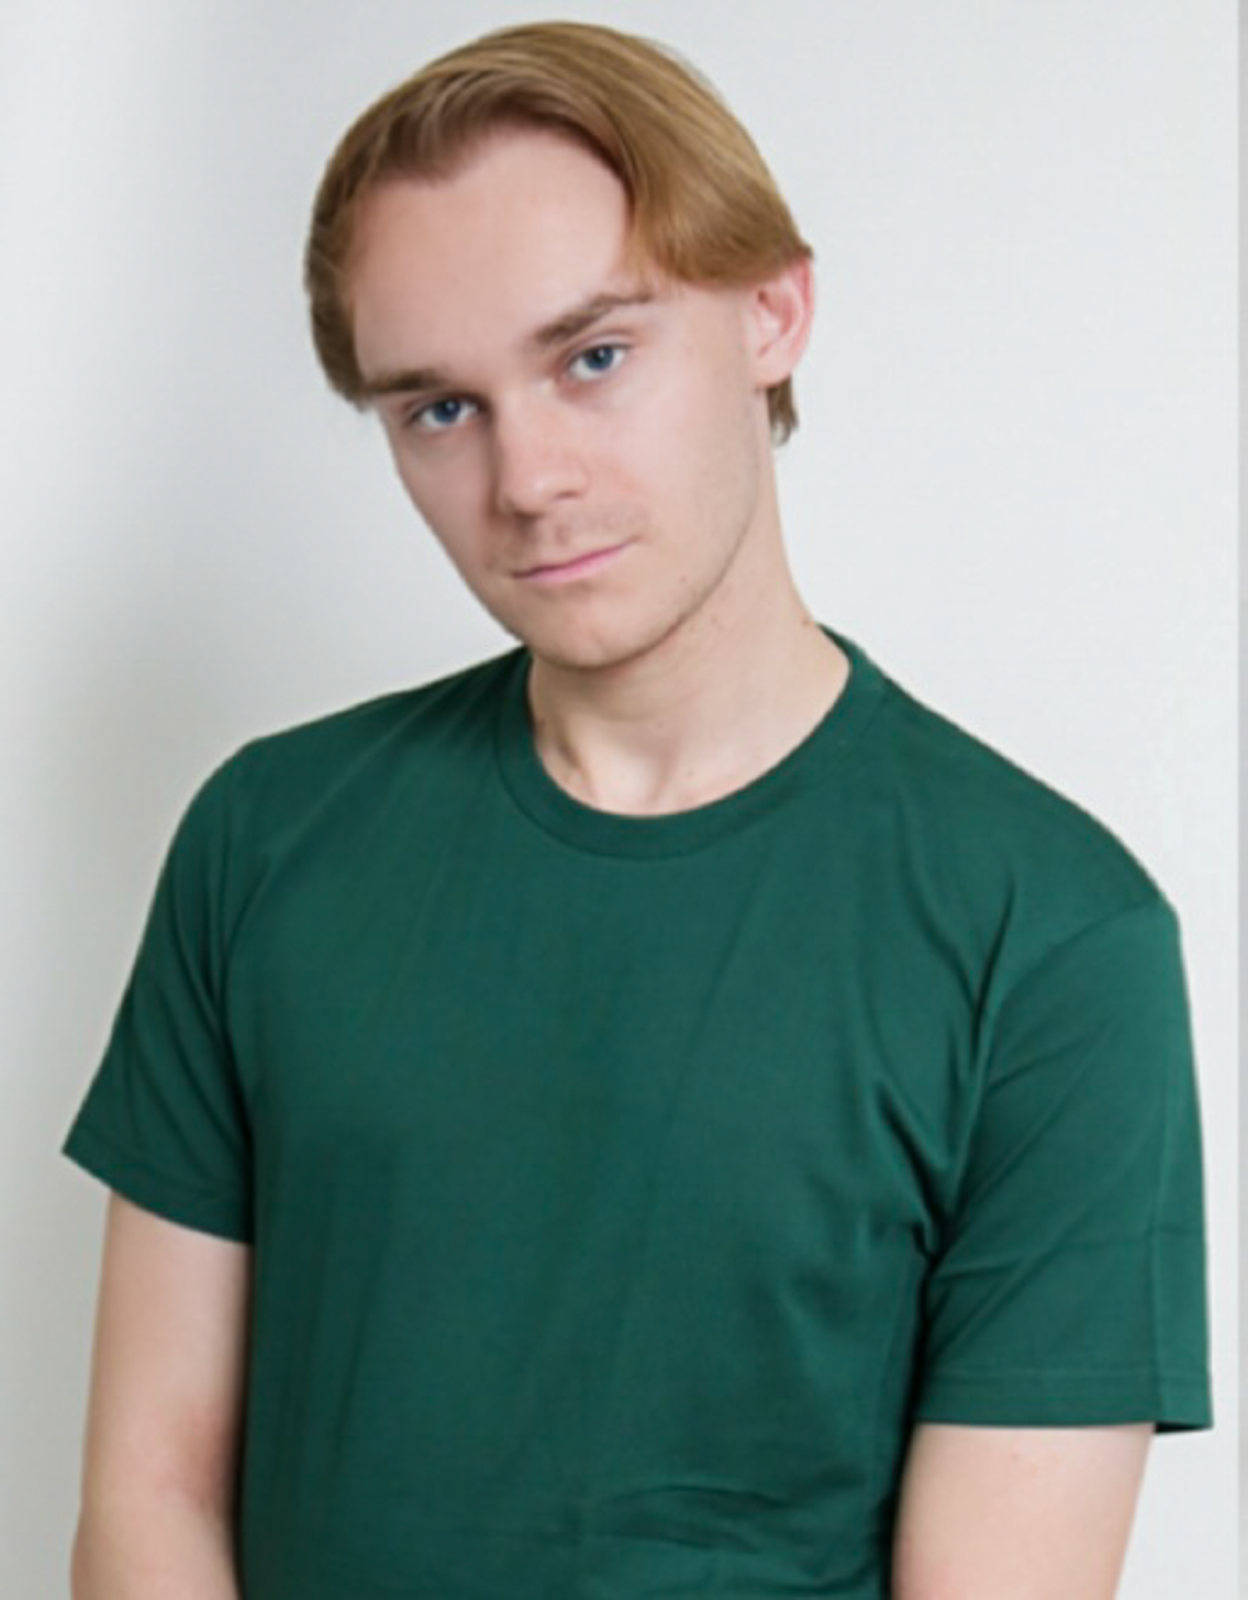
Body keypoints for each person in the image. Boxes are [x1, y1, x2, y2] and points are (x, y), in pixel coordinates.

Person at [64, 21, 1211, 1599]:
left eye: (593, 357)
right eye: (437, 408)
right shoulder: (266, 841)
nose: (527, 478)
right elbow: (148, 1496)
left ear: (772, 313)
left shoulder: (1054, 935)